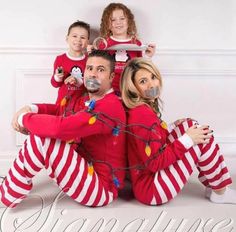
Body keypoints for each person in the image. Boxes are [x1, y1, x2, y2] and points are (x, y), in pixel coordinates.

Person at [0, 50, 126, 208]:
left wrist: (23, 119)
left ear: (111, 77)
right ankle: (12, 184)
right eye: (89, 68)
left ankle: (7, 194)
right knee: (42, 132)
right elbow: (61, 111)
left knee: (42, 138)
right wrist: (30, 108)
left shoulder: (109, 106)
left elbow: (60, 128)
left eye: (100, 70)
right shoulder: (89, 99)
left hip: (101, 189)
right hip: (86, 173)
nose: (92, 74)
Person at [120, 57, 236, 205]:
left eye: (153, 77)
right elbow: (154, 162)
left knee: (190, 125)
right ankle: (220, 191)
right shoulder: (142, 115)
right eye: (143, 81)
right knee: (198, 136)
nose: (151, 84)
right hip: (152, 190)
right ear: (133, 88)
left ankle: (214, 185)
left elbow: (153, 139)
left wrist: (172, 127)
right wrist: (187, 139)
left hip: (149, 182)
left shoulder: (143, 109)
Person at [98, 3, 156, 95]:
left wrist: (148, 56)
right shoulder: (104, 44)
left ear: (129, 21)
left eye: (122, 18)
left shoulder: (136, 43)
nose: (118, 22)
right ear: (107, 25)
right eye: (113, 20)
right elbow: (99, 67)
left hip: (131, 88)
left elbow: (142, 67)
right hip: (109, 90)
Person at [51, 20, 90, 106]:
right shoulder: (61, 59)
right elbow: (55, 84)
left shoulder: (89, 60)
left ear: (87, 42)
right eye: (74, 36)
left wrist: (77, 81)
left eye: (83, 37)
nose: (78, 40)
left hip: (81, 105)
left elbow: (91, 83)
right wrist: (58, 77)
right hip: (62, 104)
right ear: (67, 38)